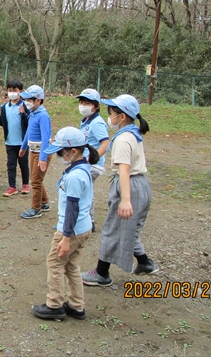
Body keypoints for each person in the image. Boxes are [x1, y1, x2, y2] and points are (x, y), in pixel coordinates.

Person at [81, 94, 158, 286]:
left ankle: (101, 273)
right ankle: (145, 263)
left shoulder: (123, 139)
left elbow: (124, 169)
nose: (110, 117)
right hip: (140, 184)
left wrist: (125, 199)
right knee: (128, 229)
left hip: (129, 184)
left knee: (112, 229)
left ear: (122, 116)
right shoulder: (133, 132)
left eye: (112, 113)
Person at [32, 127, 99, 321]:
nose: (59, 156)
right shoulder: (82, 168)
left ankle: (54, 305)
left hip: (71, 230)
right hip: (82, 228)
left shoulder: (75, 177)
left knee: (54, 263)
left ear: (74, 151)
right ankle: (77, 306)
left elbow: (72, 209)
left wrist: (66, 238)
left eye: (61, 152)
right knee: (71, 266)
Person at [76, 88, 109, 231]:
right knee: (83, 190)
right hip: (84, 163)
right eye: (82, 102)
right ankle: (86, 220)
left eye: (87, 103)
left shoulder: (97, 123)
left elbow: (105, 143)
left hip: (92, 165)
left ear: (96, 106)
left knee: (84, 191)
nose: (83, 105)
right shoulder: (86, 121)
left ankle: (88, 221)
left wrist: (92, 159)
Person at [0, 79, 30, 196]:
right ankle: (12, 186)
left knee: (23, 164)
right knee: (11, 165)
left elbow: (28, 122)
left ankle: (25, 184)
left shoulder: (24, 105)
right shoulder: (4, 107)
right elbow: (4, 122)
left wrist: (23, 114)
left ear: (20, 91)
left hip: (22, 142)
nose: (12, 93)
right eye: (9, 90)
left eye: (14, 90)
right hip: (10, 142)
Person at [19, 85, 52, 219]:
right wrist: (23, 147)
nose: (25, 102)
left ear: (38, 100)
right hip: (33, 151)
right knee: (36, 178)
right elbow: (28, 132)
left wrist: (43, 158)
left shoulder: (43, 116)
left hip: (41, 153)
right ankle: (44, 202)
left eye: (29, 99)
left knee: (36, 181)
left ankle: (35, 208)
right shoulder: (32, 114)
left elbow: (45, 138)